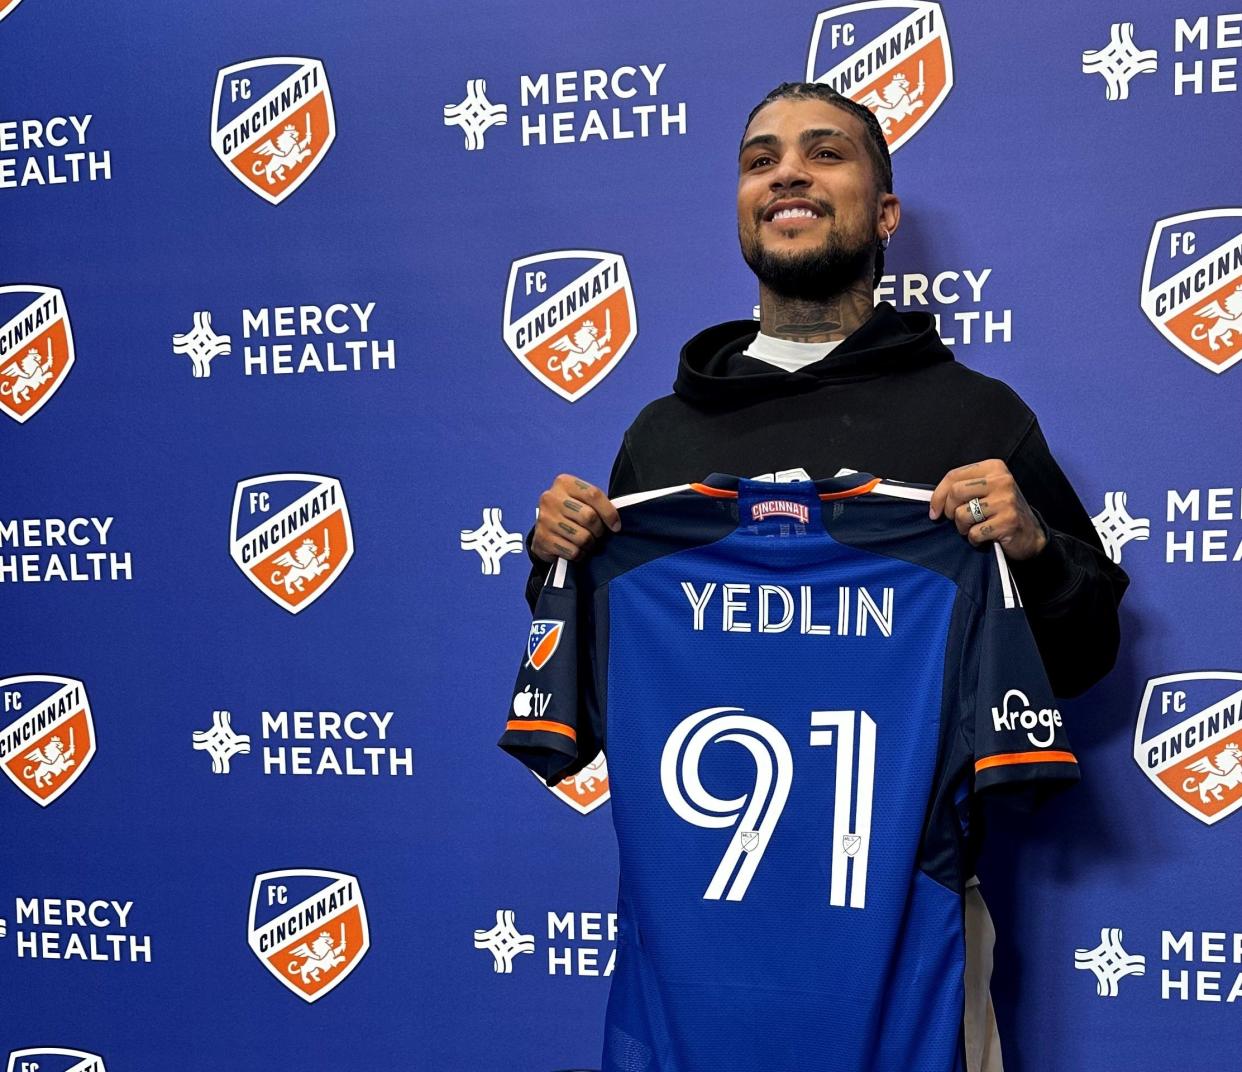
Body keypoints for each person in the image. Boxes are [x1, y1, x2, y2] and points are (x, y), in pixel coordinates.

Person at [521, 81, 1129, 1071]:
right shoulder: (663, 434)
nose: (788, 173)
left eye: (825, 153)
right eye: (760, 160)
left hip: (908, 930)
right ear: (741, 204)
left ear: (883, 212)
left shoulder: (976, 417)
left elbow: (1086, 652)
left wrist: (1031, 549)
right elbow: (589, 685)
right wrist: (555, 561)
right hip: (696, 945)